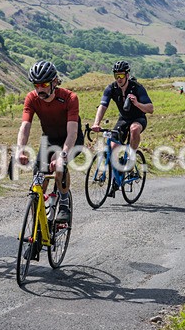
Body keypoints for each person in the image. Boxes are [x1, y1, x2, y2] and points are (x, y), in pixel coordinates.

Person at [15, 60, 82, 223]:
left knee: (58, 163)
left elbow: (72, 133)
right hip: (49, 140)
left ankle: (64, 203)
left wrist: (63, 155)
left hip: (72, 139)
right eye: (36, 85)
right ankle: (38, 228)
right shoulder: (31, 98)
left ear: (54, 82)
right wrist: (20, 150)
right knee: (38, 183)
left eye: (44, 84)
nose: (39, 89)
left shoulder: (69, 98)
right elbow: (25, 127)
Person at [90, 60, 154, 192]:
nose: (118, 79)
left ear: (127, 75)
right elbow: (103, 106)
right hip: (123, 119)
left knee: (134, 129)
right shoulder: (111, 88)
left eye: (121, 76)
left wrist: (137, 103)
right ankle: (115, 180)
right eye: (116, 76)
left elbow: (150, 108)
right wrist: (96, 123)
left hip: (139, 118)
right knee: (113, 146)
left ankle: (131, 158)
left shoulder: (137, 88)